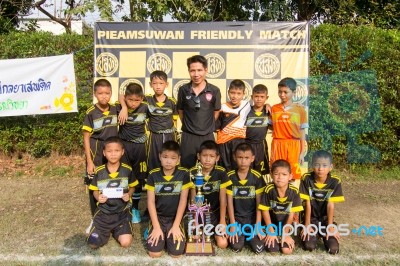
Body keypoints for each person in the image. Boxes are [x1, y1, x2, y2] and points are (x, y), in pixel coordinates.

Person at [86, 136, 138, 249]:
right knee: (93, 243)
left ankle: (116, 230)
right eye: (109, 151)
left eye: (117, 151)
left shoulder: (127, 170)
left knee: (126, 243)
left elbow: (133, 187)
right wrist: (98, 197)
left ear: (122, 152)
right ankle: (101, 229)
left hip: (122, 213)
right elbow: (94, 189)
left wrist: (128, 194)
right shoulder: (99, 171)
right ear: (104, 153)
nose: (113, 154)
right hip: (103, 213)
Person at [145, 140, 192, 258]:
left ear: (178, 159)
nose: (168, 161)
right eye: (165, 157)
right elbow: (150, 202)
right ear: (159, 156)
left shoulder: (184, 174)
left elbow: (183, 200)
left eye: (173, 158)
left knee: (176, 254)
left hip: (174, 218)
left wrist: (176, 226)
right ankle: (154, 230)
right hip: (159, 218)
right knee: (154, 253)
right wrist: (156, 227)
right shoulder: (153, 174)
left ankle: (170, 234)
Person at [177, 55, 221, 168]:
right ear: (188, 71)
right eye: (192, 70)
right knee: (186, 170)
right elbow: (181, 111)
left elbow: (216, 112)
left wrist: (205, 126)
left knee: (210, 170)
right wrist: (190, 126)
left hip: (207, 136)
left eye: (199, 70)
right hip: (188, 137)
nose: (196, 74)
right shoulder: (183, 90)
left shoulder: (214, 90)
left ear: (206, 70)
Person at [82, 78, 118, 216]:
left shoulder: (115, 108)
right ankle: (96, 215)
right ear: (95, 94)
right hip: (96, 151)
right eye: (101, 93)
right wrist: (89, 162)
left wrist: (125, 108)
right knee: (95, 182)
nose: (104, 96)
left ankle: (110, 211)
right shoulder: (91, 112)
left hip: (112, 151)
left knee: (110, 179)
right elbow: (86, 137)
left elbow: (124, 99)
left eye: (107, 93)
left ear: (111, 94)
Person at [299, 150, 345, 254]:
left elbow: (330, 205)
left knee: (333, 249)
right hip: (311, 218)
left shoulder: (335, 181)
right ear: (312, 165)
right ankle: (312, 233)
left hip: (325, 219)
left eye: (324, 165)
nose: (320, 169)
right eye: (317, 165)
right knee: (309, 246)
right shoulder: (306, 178)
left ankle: (325, 230)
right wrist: (307, 225)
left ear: (331, 167)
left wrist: (329, 226)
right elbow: (307, 203)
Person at [189, 140, 232, 249]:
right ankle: (200, 226)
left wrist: (222, 221)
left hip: (216, 213)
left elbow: (223, 199)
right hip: (200, 213)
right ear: (199, 156)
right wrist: (195, 221)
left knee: (223, 244)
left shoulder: (221, 172)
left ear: (217, 158)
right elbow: (193, 199)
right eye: (204, 155)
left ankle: (214, 230)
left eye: (211, 156)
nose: (208, 159)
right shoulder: (193, 172)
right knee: (195, 240)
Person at [116, 82, 148, 224]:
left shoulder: (146, 107)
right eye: (130, 100)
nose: (133, 103)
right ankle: (123, 207)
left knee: (139, 178)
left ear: (142, 99)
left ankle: (135, 208)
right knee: (124, 176)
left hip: (140, 147)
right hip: (125, 146)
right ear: (125, 98)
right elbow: (119, 95)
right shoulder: (119, 108)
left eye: (137, 100)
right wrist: (123, 106)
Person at [226, 142, 266, 253]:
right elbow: (229, 203)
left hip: (252, 220)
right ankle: (241, 235)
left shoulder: (257, 177)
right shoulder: (230, 176)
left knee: (259, 249)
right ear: (234, 157)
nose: (243, 161)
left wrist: (258, 224)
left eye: (246, 158)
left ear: (252, 158)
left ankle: (250, 235)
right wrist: (233, 224)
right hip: (237, 220)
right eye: (240, 157)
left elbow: (259, 203)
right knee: (236, 247)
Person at [258, 159, 303, 255]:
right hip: (271, 225)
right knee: (272, 248)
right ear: (271, 175)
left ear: (290, 176)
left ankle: (286, 236)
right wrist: (271, 231)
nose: (280, 178)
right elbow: (264, 211)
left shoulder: (294, 191)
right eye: (276, 174)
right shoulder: (268, 189)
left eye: (284, 174)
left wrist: (285, 234)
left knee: (287, 251)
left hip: (286, 225)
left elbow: (291, 214)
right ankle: (274, 236)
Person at [269, 77, 308, 183]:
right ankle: (277, 198)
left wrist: (301, 152)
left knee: (291, 175)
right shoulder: (274, 108)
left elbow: (302, 131)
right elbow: (270, 125)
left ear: (294, 92)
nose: (282, 95)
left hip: (293, 145)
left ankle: (289, 198)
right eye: (280, 92)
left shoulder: (300, 110)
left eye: (286, 92)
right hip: (278, 144)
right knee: (276, 174)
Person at [145, 70, 178, 171]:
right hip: (154, 136)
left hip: (170, 135)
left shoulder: (172, 102)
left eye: (161, 83)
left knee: (170, 158)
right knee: (153, 159)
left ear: (166, 84)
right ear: (150, 84)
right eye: (155, 83)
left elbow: (175, 120)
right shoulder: (147, 100)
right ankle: (152, 183)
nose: (158, 86)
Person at [216, 79, 251, 171]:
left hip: (239, 142)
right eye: (232, 93)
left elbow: (260, 109)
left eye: (239, 93)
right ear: (228, 92)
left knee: (238, 169)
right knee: (224, 170)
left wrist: (267, 105)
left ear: (244, 94)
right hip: (223, 143)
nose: (235, 96)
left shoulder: (247, 105)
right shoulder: (222, 107)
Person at [245, 84, 271, 177]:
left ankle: (260, 189)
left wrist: (268, 106)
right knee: (247, 170)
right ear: (252, 97)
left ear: (266, 97)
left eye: (262, 97)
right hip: (248, 144)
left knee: (260, 172)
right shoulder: (247, 110)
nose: (259, 99)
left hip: (261, 145)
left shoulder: (268, 112)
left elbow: (273, 126)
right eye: (256, 96)